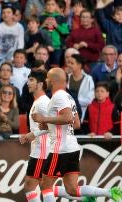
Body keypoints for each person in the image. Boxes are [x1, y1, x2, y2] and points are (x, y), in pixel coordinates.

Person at [31, 67, 122, 202]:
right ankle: (110, 192)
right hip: (72, 147)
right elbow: (77, 123)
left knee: (45, 185)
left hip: (59, 149)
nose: (45, 81)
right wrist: (49, 125)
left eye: (47, 78)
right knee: (72, 189)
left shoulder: (59, 96)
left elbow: (68, 118)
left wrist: (44, 119)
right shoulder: (69, 97)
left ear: (53, 80)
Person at [19, 69, 50, 202]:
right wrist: (30, 135)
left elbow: (56, 125)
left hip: (42, 151)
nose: (28, 83)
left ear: (41, 84)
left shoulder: (43, 102)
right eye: (28, 79)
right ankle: (85, 194)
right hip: (40, 149)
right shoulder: (38, 101)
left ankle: (86, 193)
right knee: (45, 187)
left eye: (31, 80)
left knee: (30, 186)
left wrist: (34, 134)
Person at [39, 0, 69, 66]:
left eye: (52, 5)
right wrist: (43, 25)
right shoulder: (41, 17)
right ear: (45, 6)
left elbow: (66, 32)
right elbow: (35, 32)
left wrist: (56, 25)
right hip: (44, 47)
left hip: (57, 47)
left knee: (55, 68)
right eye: (48, 4)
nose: (50, 7)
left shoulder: (61, 18)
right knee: (43, 66)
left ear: (56, 6)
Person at [66, 54, 94, 121]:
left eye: (72, 63)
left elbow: (89, 100)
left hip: (82, 113)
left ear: (79, 65)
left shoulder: (88, 79)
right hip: (67, 113)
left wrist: (74, 102)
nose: (69, 65)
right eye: (68, 62)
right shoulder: (67, 77)